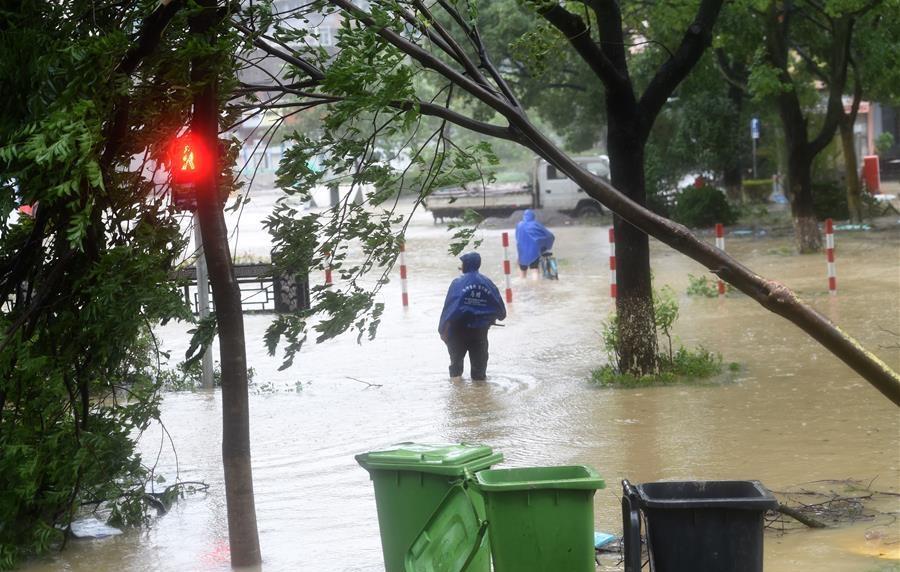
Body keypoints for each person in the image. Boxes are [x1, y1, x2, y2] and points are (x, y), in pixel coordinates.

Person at [438, 252, 506, 381]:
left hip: (457, 332)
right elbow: (500, 308)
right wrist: (496, 316)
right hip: (479, 333)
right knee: (479, 373)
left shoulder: (457, 283)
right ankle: (480, 398)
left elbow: (449, 308)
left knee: (456, 370)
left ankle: (458, 396)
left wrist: (442, 330)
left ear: (466, 265)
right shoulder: (487, 282)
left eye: (462, 263)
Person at [515, 209, 555, 277]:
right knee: (534, 270)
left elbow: (517, 238)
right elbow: (549, 235)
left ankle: (522, 285)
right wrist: (545, 245)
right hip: (534, 251)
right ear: (533, 216)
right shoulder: (536, 224)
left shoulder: (519, 225)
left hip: (521, 252)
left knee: (523, 271)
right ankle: (535, 286)